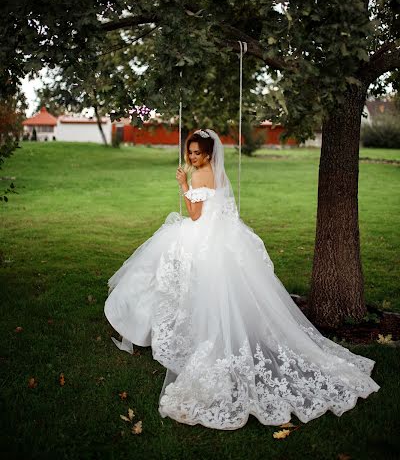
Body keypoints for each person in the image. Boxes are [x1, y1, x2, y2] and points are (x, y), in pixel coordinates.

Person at [104, 128, 380, 430]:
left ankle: (157, 327)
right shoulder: (218, 173)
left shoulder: (197, 176)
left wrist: (183, 185)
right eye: (190, 152)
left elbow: (195, 215)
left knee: (165, 270)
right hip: (224, 236)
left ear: (208, 153)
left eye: (197, 152)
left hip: (203, 236)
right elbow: (221, 209)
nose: (192, 157)